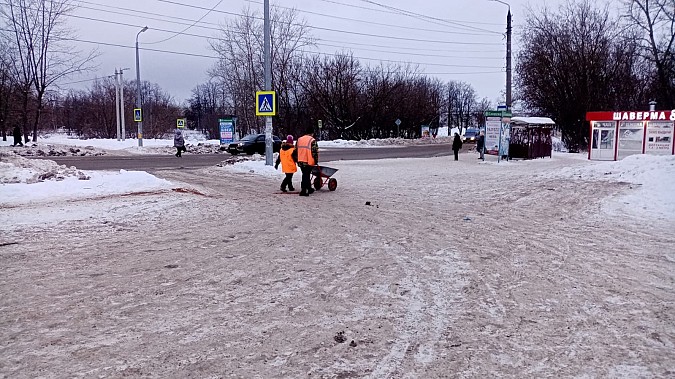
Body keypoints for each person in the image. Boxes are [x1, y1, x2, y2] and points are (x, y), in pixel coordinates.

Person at [296, 126, 319, 197]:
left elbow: (295, 150)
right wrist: (316, 160)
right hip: (308, 161)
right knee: (306, 175)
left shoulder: (299, 139)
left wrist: (296, 159)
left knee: (305, 174)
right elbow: (315, 151)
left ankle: (309, 188)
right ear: (312, 133)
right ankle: (303, 190)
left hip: (300, 160)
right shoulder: (312, 140)